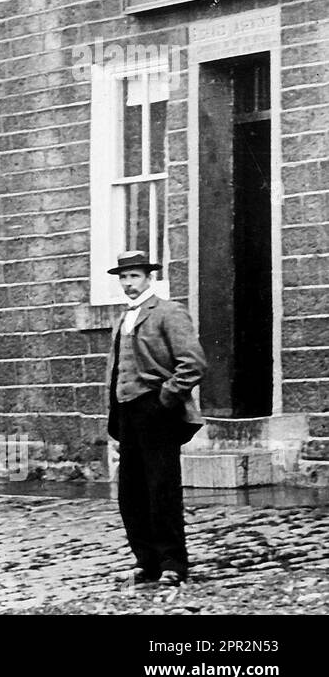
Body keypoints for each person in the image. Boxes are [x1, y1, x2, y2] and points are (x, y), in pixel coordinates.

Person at [105, 250, 207, 586]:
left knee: (161, 487)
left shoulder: (169, 312)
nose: (128, 283)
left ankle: (172, 563)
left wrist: (165, 398)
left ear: (149, 278)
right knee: (131, 491)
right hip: (127, 412)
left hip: (156, 411)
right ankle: (145, 559)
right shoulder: (123, 318)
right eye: (123, 277)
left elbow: (192, 363)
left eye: (134, 276)